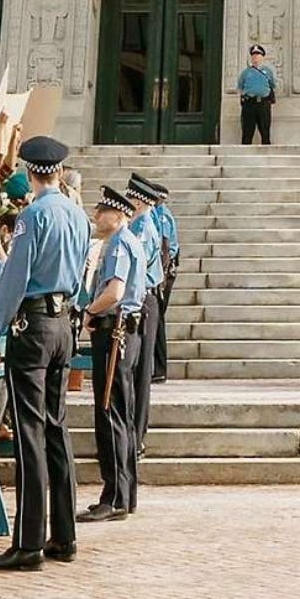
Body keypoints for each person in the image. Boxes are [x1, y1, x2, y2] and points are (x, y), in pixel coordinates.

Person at [0, 136, 91, 571]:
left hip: (34, 323)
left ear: (29, 172)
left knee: (29, 434)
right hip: (63, 322)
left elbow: (14, 280)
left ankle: (27, 542)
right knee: (57, 428)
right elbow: (82, 275)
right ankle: (64, 534)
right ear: (59, 171)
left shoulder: (32, 216)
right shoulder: (77, 215)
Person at [77, 187, 146, 523]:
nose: (96, 216)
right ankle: (124, 493)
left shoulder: (119, 243)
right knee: (122, 412)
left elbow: (115, 291)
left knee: (110, 412)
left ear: (117, 215)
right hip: (126, 330)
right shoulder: (128, 241)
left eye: (102, 211)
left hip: (115, 330)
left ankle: (115, 496)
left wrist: (89, 311)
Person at [125, 174, 165, 463]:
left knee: (138, 374)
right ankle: (135, 434)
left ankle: (136, 436)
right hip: (147, 298)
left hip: (142, 299)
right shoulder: (145, 224)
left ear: (137, 201)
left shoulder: (141, 227)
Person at [150, 182, 179, 384]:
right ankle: (157, 368)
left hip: (164, 272)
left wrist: (159, 277)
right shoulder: (159, 213)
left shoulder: (161, 215)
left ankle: (159, 368)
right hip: (164, 271)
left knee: (157, 320)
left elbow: (165, 247)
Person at [238, 44, 277, 145]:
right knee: (247, 132)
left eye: (258, 55)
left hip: (263, 103)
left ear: (262, 57)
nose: (255, 57)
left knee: (265, 132)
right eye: (253, 55)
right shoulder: (246, 73)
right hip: (249, 104)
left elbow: (272, 85)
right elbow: (240, 87)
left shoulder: (268, 72)